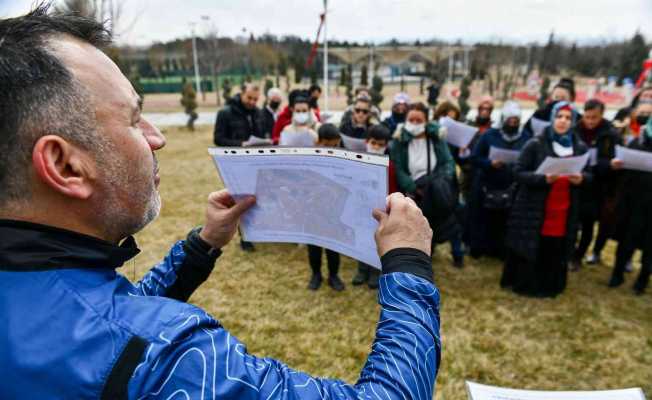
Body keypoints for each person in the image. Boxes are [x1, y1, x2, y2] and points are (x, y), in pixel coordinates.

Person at [0, 6, 442, 399]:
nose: (158, 137)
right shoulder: (168, 360)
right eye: (135, 119)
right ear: (65, 165)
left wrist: (202, 246)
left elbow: (105, 318)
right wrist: (408, 267)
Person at [502, 102, 591, 298]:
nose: (563, 121)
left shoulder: (580, 146)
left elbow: (589, 173)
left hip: (564, 207)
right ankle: (528, 285)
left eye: (568, 118)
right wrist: (542, 178)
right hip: (535, 206)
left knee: (556, 246)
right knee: (534, 244)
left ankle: (551, 285)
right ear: (552, 118)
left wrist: (582, 178)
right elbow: (517, 172)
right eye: (559, 116)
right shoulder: (535, 143)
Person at [391, 102, 459, 250]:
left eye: (419, 120)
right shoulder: (399, 140)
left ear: (426, 121)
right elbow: (397, 166)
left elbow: (448, 162)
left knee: (432, 227)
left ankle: (434, 250)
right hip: (412, 192)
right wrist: (412, 187)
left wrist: (442, 180)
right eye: (411, 120)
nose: (414, 124)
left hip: (434, 190)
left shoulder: (436, 138)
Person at [468, 101, 531, 259]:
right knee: (483, 219)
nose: (513, 123)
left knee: (505, 221)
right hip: (487, 184)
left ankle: (500, 250)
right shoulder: (489, 135)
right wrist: (490, 163)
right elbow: (474, 157)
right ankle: (479, 248)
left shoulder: (525, 138)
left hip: (511, 185)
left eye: (516, 121)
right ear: (503, 119)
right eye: (510, 120)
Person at [571, 99, 621, 269]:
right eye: (587, 117)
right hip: (576, 181)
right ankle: (569, 252)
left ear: (602, 115)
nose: (590, 121)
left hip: (598, 186)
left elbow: (615, 157)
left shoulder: (611, 134)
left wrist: (608, 165)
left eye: (595, 117)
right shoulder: (574, 130)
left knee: (588, 223)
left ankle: (579, 256)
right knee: (571, 222)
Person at [608, 117, 652, 295]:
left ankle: (643, 279)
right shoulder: (636, 142)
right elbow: (623, 169)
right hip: (633, 201)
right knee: (627, 239)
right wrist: (618, 165)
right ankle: (617, 273)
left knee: (650, 245)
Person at [352, 124, 394, 289]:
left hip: (380, 212)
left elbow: (392, 189)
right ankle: (361, 270)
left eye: (380, 144)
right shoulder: (357, 162)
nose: (376, 147)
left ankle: (376, 271)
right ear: (367, 141)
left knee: (378, 242)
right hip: (361, 209)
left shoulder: (389, 166)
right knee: (361, 240)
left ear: (386, 146)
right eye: (373, 142)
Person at [306, 124, 346, 291]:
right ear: (319, 141)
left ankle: (333, 275)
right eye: (329, 145)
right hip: (312, 210)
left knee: (333, 246)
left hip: (333, 210)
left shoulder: (342, 156)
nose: (332, 149)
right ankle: (316, 275)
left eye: (335, 145)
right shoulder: (309, 157)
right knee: (314, 246)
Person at [213, 83, 264, 147]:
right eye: (249, 98)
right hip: (233, 155)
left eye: (255, 99)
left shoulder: (258, 113)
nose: (252, 102)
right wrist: (240, 144)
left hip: (254, 154)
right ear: (242, 94)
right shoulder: (224, 113)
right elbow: (218, 139)